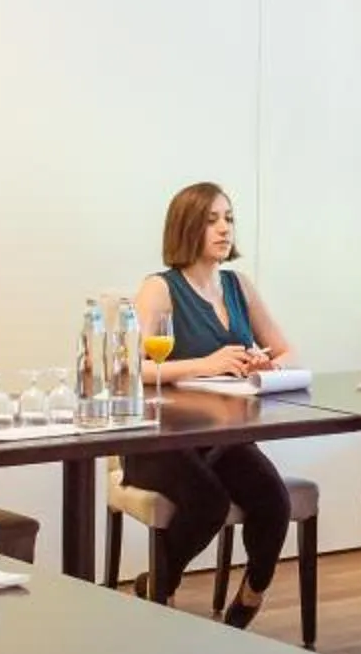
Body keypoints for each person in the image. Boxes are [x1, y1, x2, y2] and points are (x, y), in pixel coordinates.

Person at [123, 182, 296, 627]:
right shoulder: (160, 289)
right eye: (211, 220)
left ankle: (249, 601)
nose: (224, 229)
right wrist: (206, 364)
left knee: (274, 501)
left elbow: (285, 351)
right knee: (208, 503)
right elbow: (129, 370)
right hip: (160, 439)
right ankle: (158, 587)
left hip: (221, 437)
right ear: (186, 227)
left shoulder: (239, 286)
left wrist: (266, 363)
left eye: (229, 219)